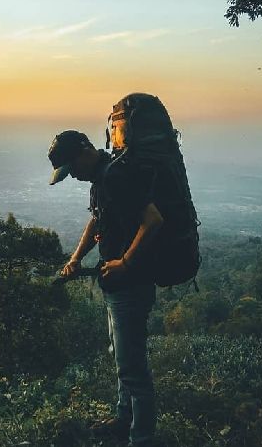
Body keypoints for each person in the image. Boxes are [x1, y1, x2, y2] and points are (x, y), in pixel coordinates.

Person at [48, 129, 163, 447]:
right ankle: (123, 418)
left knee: (133, 369)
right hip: (117, 288)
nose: (74, 177)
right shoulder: (101, 179)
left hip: (132, 286)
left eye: (73, 169)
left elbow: (153, 220)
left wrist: (125, 262)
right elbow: (96, 221)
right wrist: (75, 258)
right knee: (122, 360)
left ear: (85, 151)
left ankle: (142, 439)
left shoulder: (116, 175)